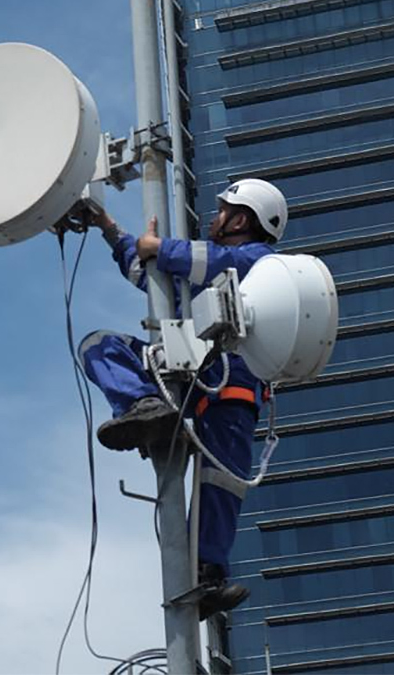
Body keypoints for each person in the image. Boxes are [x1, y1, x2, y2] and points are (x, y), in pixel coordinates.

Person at [77, 178, 288, 619]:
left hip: (232, 384)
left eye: (224, 210)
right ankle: (143, 406)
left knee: (220, 482)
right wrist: (110, 229)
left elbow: (202, 259)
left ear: (241, 220)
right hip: (189, 374)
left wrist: (160, 247)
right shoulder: (204, 276)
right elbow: (151, 275)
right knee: (99, 345)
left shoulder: (260, 263)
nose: (215, 217)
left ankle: (206, 571)